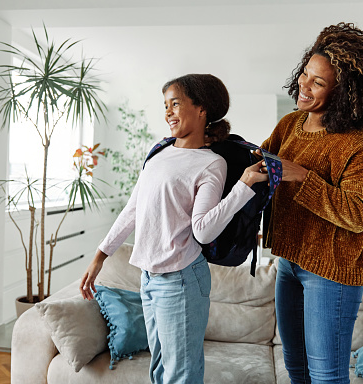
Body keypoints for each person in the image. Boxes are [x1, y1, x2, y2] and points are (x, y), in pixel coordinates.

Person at [79, 73, 267, 384]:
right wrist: (100, 257)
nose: (168, 111)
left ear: (201, 108)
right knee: (159, 370)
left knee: (181, 375)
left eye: (175, 103)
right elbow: (133, 210)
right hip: (149, 278)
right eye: (165, 105)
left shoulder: (210, 164)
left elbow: (204, 231)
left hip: (181, 279)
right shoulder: (159, 154)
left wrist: (244, 184)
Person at [260, 23, 363, 383]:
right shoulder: (290, 124)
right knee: (297, 370)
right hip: (288, 262)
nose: (304, 86)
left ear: (342, 92)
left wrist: (302, 176)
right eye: (305, 74)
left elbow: (358, 215)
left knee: (326, 376)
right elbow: (261, 165)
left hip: (332, 274)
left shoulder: (356, 142)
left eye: (318, 82)